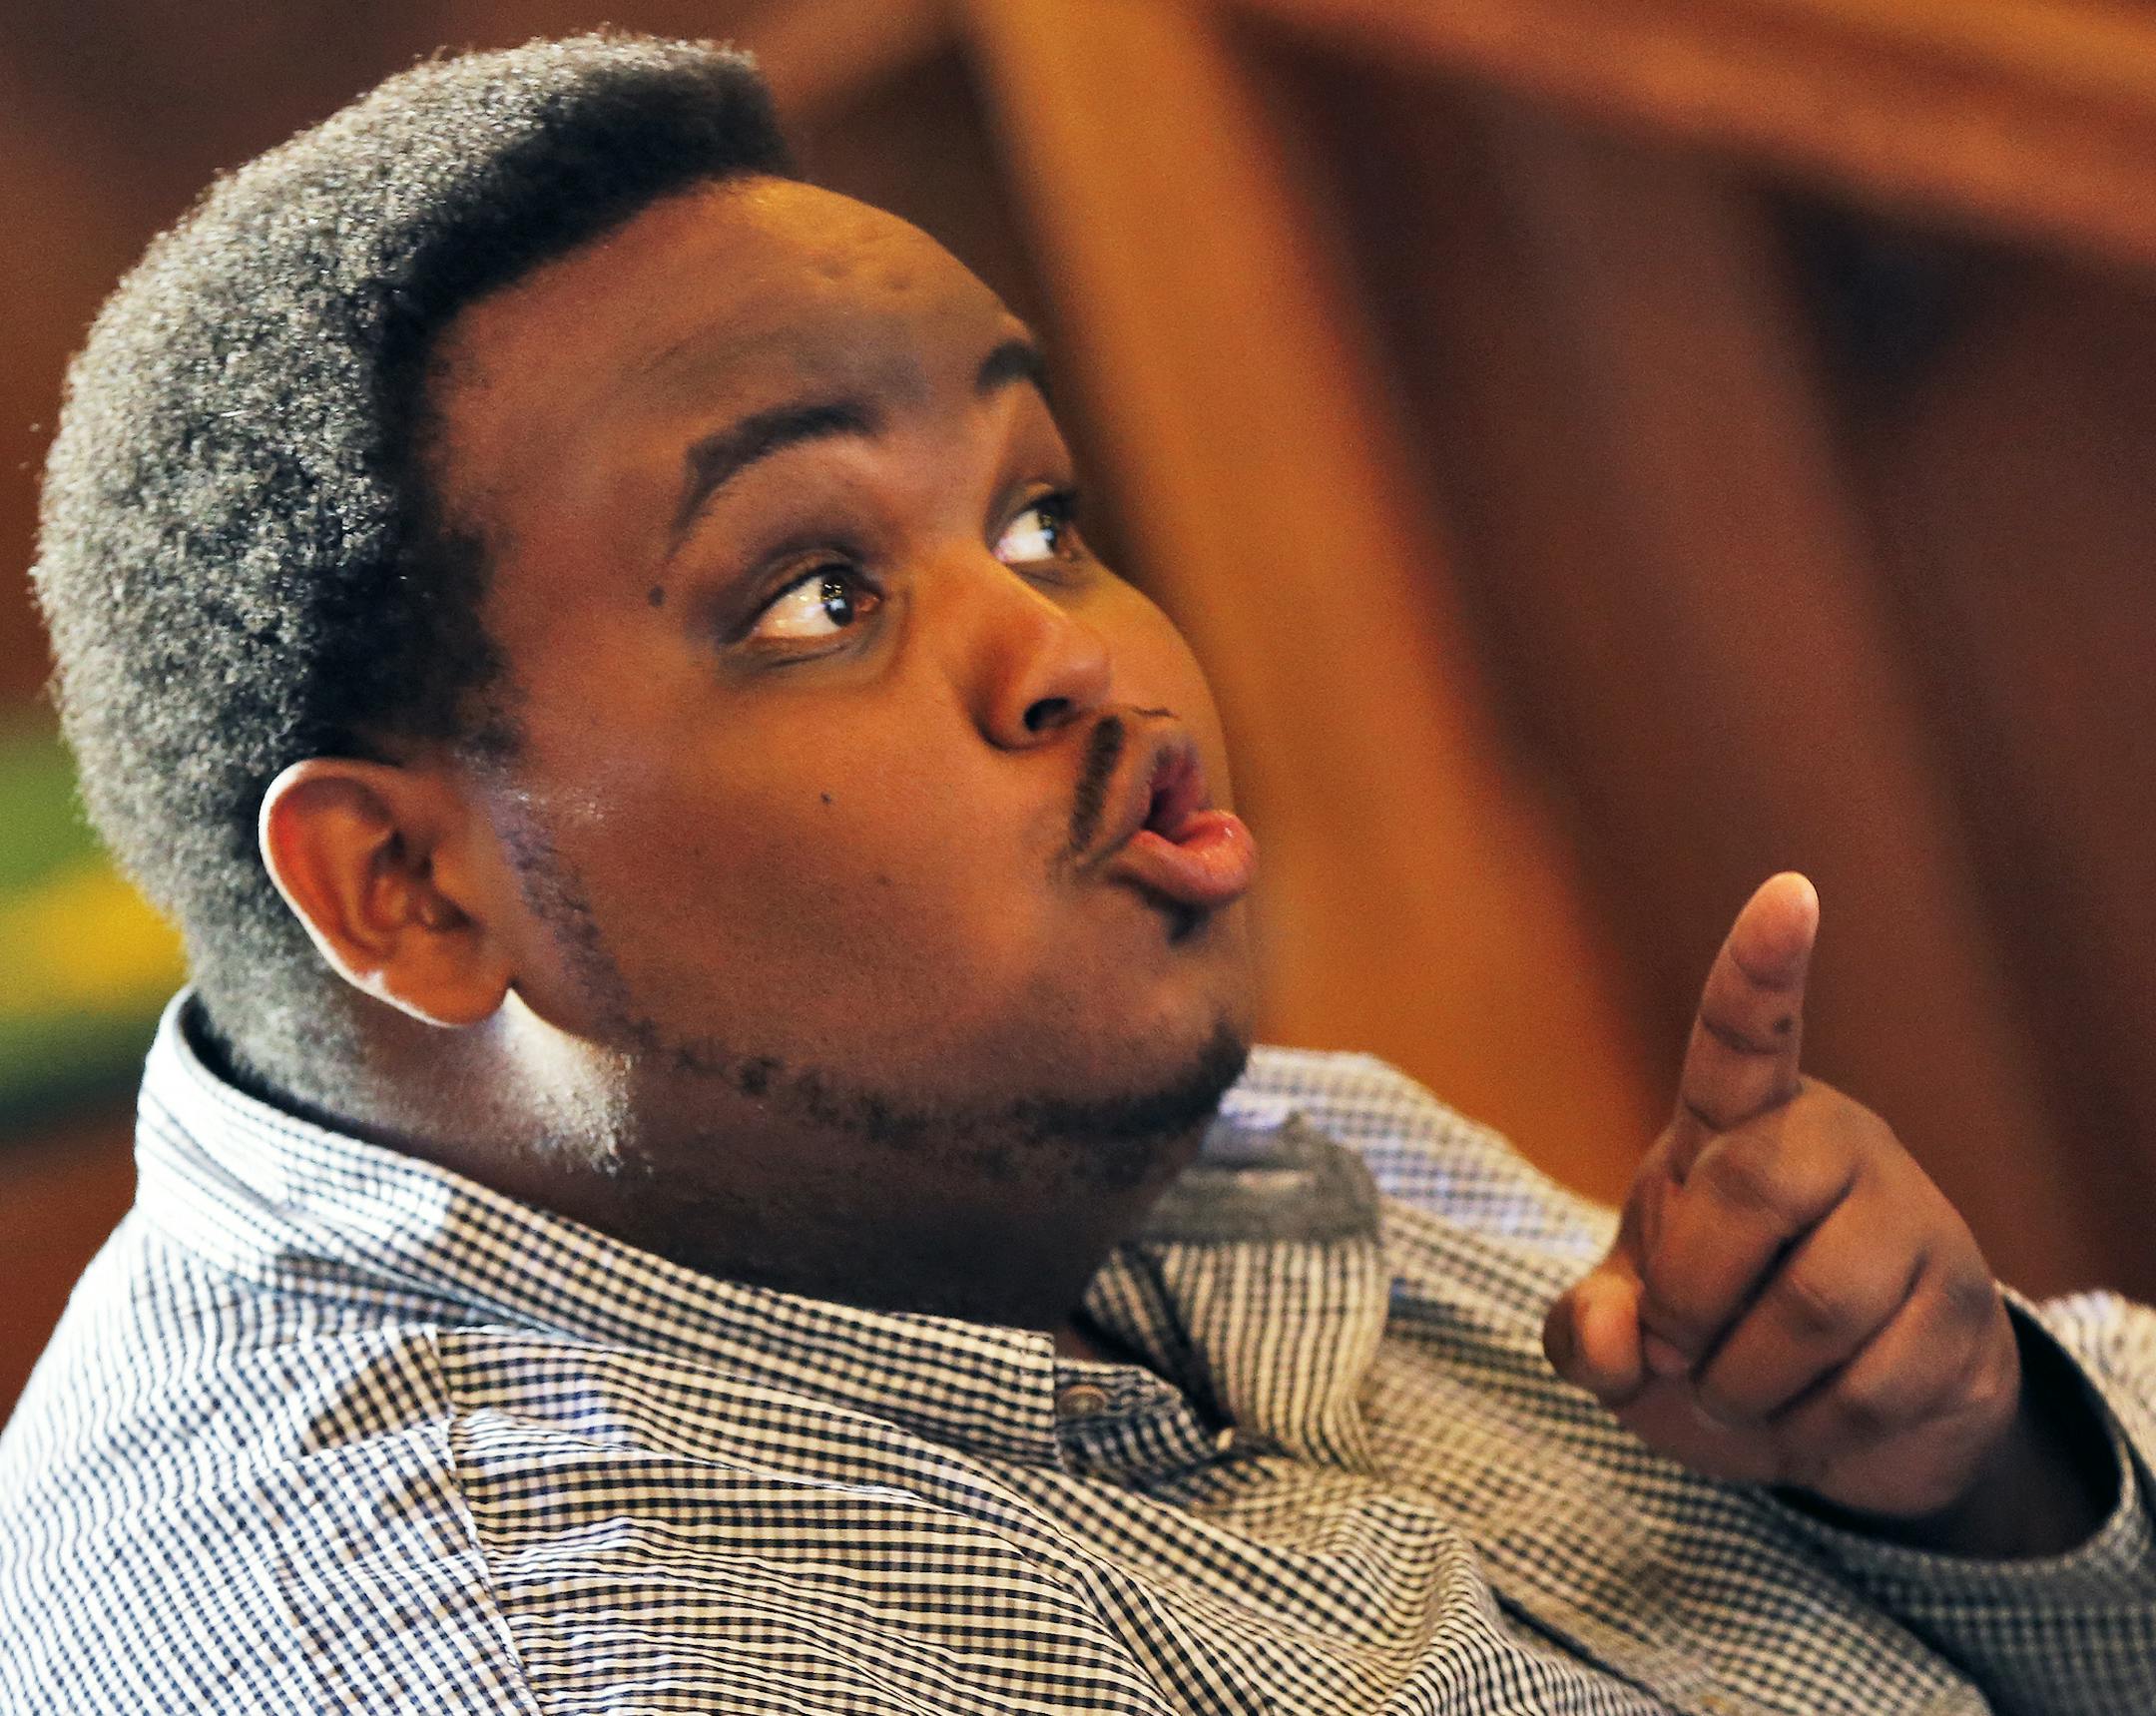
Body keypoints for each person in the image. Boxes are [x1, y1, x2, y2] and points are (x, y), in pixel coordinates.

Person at [2, 33, 2150, 1715]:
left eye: (1039, 517)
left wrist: (1976, 1471)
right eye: (818, 594)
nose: (1076, 651)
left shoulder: (1045, 1129)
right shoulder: (560, 1646)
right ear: (403, 887)